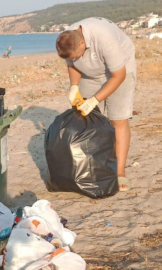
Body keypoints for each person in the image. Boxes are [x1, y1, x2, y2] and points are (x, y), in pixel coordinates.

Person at [56, 17, 136, 191]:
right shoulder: (67, 39)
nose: (73, 59)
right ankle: (90, 167)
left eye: (76, 55)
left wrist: (95, 100)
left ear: (82, 43)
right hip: (90, 73)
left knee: (118, 119)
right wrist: (74, 87)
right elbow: (73, 64)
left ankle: (120, 173)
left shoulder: (104, 38)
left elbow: (118, 76)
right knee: (84, 118)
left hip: (120, 70)